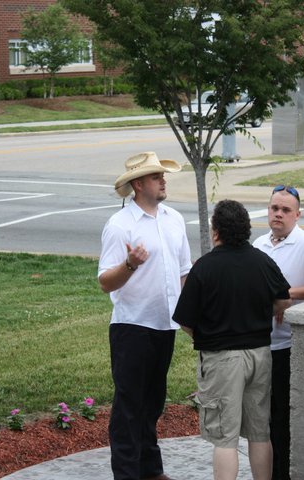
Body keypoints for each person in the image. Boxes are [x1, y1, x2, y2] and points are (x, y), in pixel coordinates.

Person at [173, 199, 292, 480]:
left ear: (217, 231)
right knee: (260, 432)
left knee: (225, 438)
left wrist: (205, 335)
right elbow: (284, 299)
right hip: (261, 355)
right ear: (246, 229)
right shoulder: (263, 261)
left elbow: (185, 321)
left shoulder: (204, 268)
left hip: (221, 359)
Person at [98, 151, 192, 480]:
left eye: (162, 176)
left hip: (164, 325)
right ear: (138, 185)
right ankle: (126, 474)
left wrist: (189, 320)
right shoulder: (120, 225)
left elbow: (183, 275)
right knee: (128, 406)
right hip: (132, 326)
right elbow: (104, 282)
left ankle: (151, 470)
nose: (163, 180)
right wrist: (129, 265)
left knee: (153, 403)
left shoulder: (174, 219)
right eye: (156, 177)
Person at [252, 185, 304, 480]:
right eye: (274, 208)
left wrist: (287, 294)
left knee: (282, 418)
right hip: (259, 344)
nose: (278, 214)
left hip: (289, 345)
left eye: (286, 210)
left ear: (297, 215)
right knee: (261, 418)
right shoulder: (259, 245)